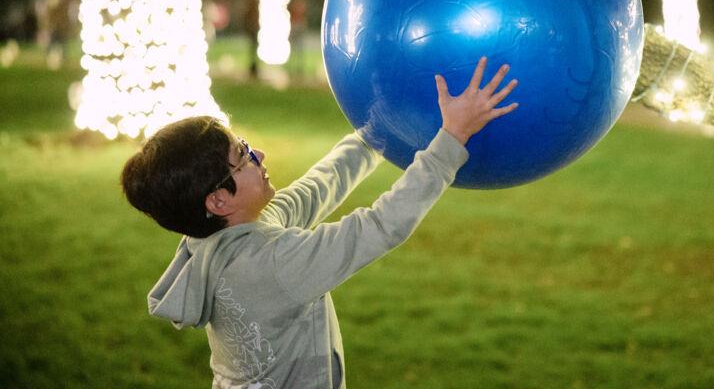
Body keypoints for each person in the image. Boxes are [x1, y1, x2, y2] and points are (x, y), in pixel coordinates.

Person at [121, 57, 519, 388]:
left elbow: (318, 187)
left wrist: (375, 132)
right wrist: (452, 138)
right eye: (243, 156)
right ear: (219, 199)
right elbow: (379, 226)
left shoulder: (218, 239)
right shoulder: (271, 264)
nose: (258, 153)